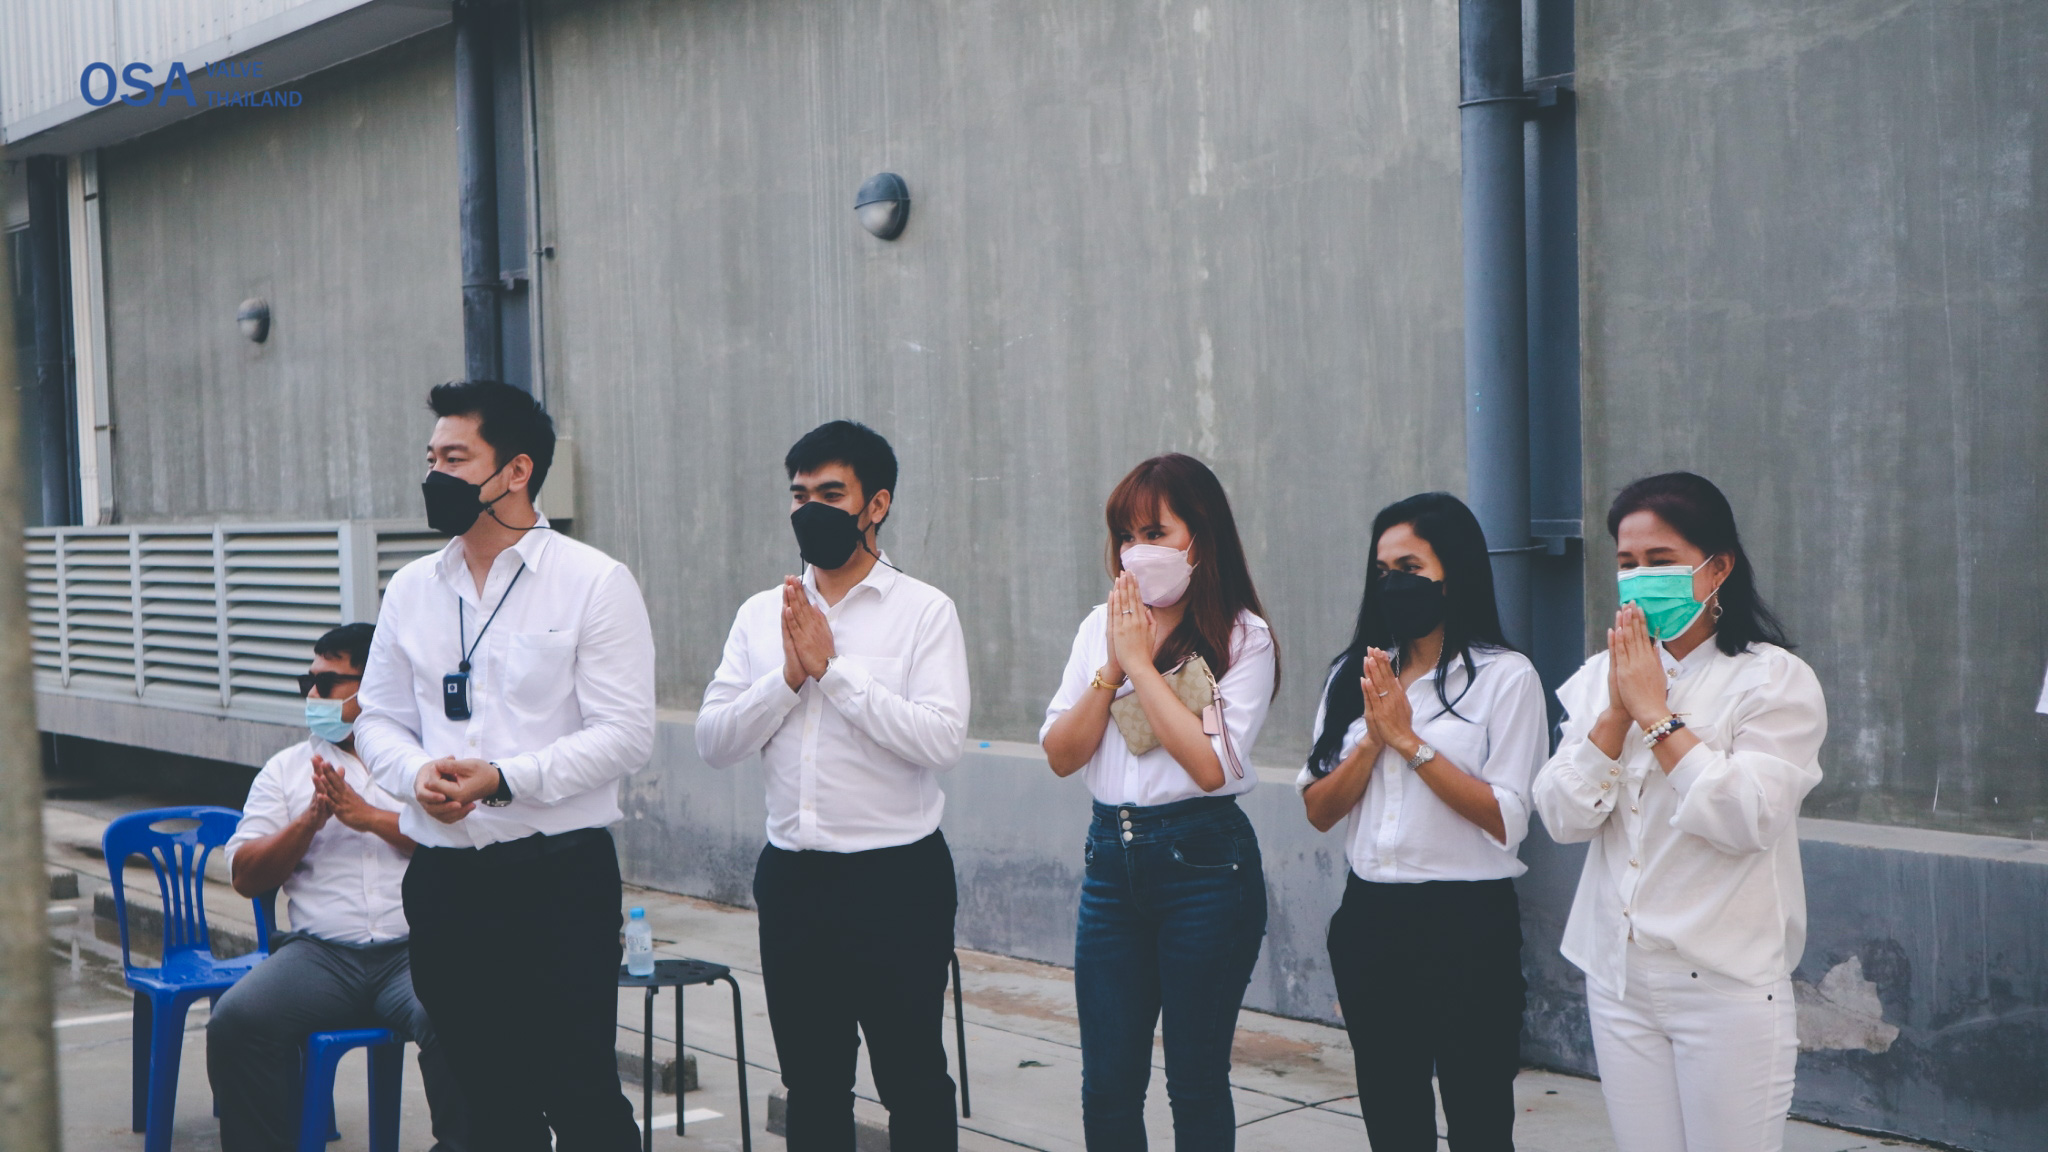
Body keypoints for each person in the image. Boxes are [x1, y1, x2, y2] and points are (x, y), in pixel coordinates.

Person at [354, 380, 657, 1152]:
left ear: (516, 471)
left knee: (580, 1091)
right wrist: (415, 774)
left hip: (556, 879)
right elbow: (379, 718)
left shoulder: (593, 581)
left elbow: (625, 734)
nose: (435, 475)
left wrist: (505, 777)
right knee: (482, 1102)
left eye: (456, 458)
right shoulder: (414, 588)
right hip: (448, 880)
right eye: (431, 457)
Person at [697, 420, 970, 1151]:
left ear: (875, 505)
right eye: (798, 494)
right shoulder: (763, 614)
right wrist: (787, 677)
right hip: (793, 878)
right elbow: (714, 740)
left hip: (897, 879)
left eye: (829, 493)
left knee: (911, 1077)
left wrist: (833, 672)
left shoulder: (924, 611)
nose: (808, 508)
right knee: (812, 1084)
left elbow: (941, 739)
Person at [1532, 472, 1825, 1152]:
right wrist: (1614, 712)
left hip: (1723, 983)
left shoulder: (1772, 680)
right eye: (1627, 564)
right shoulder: (1597, 677)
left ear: (1716, 567)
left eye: (1660, 562)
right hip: (1619, 977)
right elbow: (1562, 817)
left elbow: (1746, 818)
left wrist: (1658, 718)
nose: (1639, 579)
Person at [1040, 453, 1277, 1151]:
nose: (1134, 552)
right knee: (1108, 1082)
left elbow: (1209, 765)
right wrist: (1112, 663)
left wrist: (1141, 666)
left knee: (1196, 1080)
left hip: (1204, 863)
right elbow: (1061, 753)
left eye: (1154, 532)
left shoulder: (1242, 636)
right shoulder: (1099, 628)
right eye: (1124, 535)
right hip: (1112, 859)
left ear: (1199, 538)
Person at [1297, 492, 1546, 1152]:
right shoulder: (1353, 674)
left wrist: (1410, 743)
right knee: (1391, 1112)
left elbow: (1507, 818)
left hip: (1467, 924)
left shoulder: (1505, 677)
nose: (1393, 585)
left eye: (1409, 566)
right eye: (1382, 572)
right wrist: (1375, 738)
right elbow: (1319, 808)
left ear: (1452, 571)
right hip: (1371, 919)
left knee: (1479, 1115)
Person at [209, 623, 469, 1152]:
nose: (311, 695)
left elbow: (461, 849)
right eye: (307, 681)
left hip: (414, 953)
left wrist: (367, 817)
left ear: (369, 687)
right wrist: (310, 820)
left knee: (465, 1018)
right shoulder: (286, 770)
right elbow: (245, 877)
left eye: (325, 683)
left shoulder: (423, 763)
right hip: (319, 957)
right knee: (235, 1022)